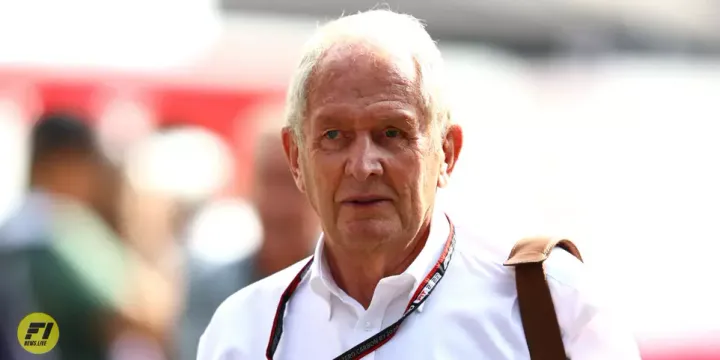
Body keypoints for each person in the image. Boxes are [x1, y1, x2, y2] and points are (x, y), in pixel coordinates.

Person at [197, 9, 641, 360]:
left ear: (446, 152)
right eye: (334, 136)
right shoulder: (241, 332)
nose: (363, 165)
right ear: (296, 158)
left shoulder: (549, 301)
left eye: (392, 133)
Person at [177, 130, 319, 360]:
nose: (277, 205)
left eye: (292, 182)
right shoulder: (211, 289)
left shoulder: (352, 291)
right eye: (268, 181)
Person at [0, 111, 129, 360]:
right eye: (88, 164)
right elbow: (136, 313)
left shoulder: (12, 227)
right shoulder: (67, 228)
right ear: (63, 162)